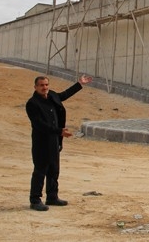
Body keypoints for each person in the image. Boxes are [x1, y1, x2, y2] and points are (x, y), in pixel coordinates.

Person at [26, 74, 93, 211]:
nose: (44, 88)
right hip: (41, 142)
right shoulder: (32, 104)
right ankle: (35, 200)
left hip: (54, 140)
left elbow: (64, 95)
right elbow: (39, 125)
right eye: (41, 85)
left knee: (54, 169)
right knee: (40, 170)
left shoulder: (52, 96)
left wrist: (79, 84)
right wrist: (59, 131)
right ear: (35, 87)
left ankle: (52, 196)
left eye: (46, 85)